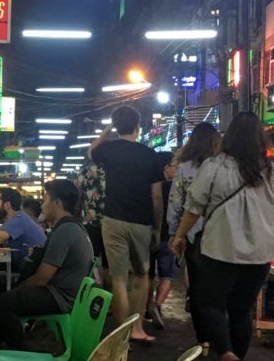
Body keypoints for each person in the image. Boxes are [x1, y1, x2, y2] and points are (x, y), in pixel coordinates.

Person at [171, 112, 274, 361]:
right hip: (259, 254)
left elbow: (194, 206)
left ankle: (226, 354)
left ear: (228, 137)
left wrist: (180, 235)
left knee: (211, 304)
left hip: (220, 249)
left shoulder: (215, 167)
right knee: (242, 309)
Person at [0, 180, 93, 350]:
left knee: (4, 301)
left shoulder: (65, 231)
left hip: (60, 297)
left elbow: (43, 277)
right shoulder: (71, 227)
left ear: (57, 203)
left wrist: (20, 288)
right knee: (1, 295)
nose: (42, 206)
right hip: (65, 293)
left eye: (45, 200)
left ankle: (18, 352)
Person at [90, 105, 163, 345]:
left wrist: (108, 128)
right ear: (137, 126)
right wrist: (157, 227)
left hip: (113, 220)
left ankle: (121, 334)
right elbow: (156, 197)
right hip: (141, 222)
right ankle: (138, 328)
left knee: (118, 278)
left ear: (117, 127)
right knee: (142, 275)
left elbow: (91, 151)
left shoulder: (109, 150)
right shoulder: (150, 155)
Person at [169, 122, 221, 330]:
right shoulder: (222, 166)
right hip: (220, 232)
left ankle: (203, 333)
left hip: (192, 233)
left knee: (197, 281)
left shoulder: (184, 168)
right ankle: (217, 327)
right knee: (218, 283)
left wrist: (174, 232)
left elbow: (175, 201)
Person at [147, 153, 177, 329]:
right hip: (167, 236)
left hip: (149, 235)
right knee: (167, 276)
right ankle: (156, 304)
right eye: (175, 165)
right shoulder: (175, 188)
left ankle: (146, 305)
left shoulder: (150, 186)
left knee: (147, 275)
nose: (177, 168)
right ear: (166, 167)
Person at [0, 187, 46, 273]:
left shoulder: (19, 220)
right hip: (29, 270)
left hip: (30, 276)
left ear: (7, 205)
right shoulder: (18, 219)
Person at [75, 157, 108, 279]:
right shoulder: (113, 170)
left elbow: (77, 196)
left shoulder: (84, 172)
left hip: (90, 223)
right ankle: (108, 294)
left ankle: (93, 289)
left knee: (90, 262)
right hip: (111, 223)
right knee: (110, 265)